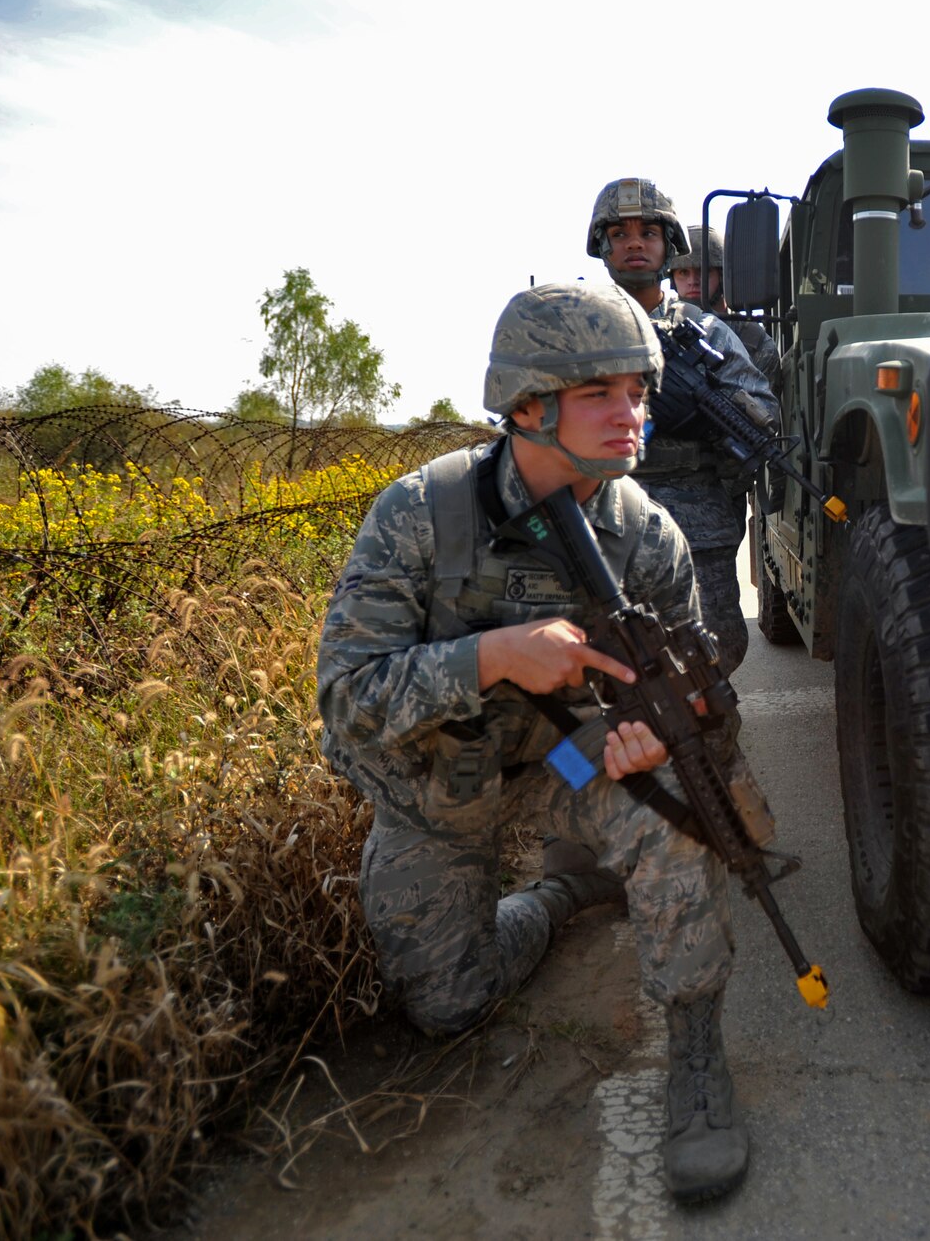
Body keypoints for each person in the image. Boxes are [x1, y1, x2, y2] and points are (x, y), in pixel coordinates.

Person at [317, 283, 751, 1202]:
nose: (631, 414)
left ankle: (699, 1058)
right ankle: (557, 897)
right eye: (601, 393)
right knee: (449, 1006)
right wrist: (493, 657)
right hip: (434, 789)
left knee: (672, 811)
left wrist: (653, 743)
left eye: (639, 392)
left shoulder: (647, 537)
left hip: (559, 765)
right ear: (527, 405)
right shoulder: (421, 514)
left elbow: (692, 699)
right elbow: (346, 702)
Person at [587, 179, 780, 675]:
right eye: (620, 233)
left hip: (697, 523)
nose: (634, 243)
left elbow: (761, 416)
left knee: (714, 651)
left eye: (648, 232)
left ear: (666, 245)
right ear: (602, 246)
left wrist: (701, 405)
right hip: (597, 522)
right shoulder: (577, 328)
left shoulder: (706, 332)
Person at [670, 223, 784, 397]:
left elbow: (764, 411)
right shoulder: (660, 330)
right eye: (683, 272)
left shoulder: (754, 341)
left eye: (703, 271)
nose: (692, 281)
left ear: (723, 276)